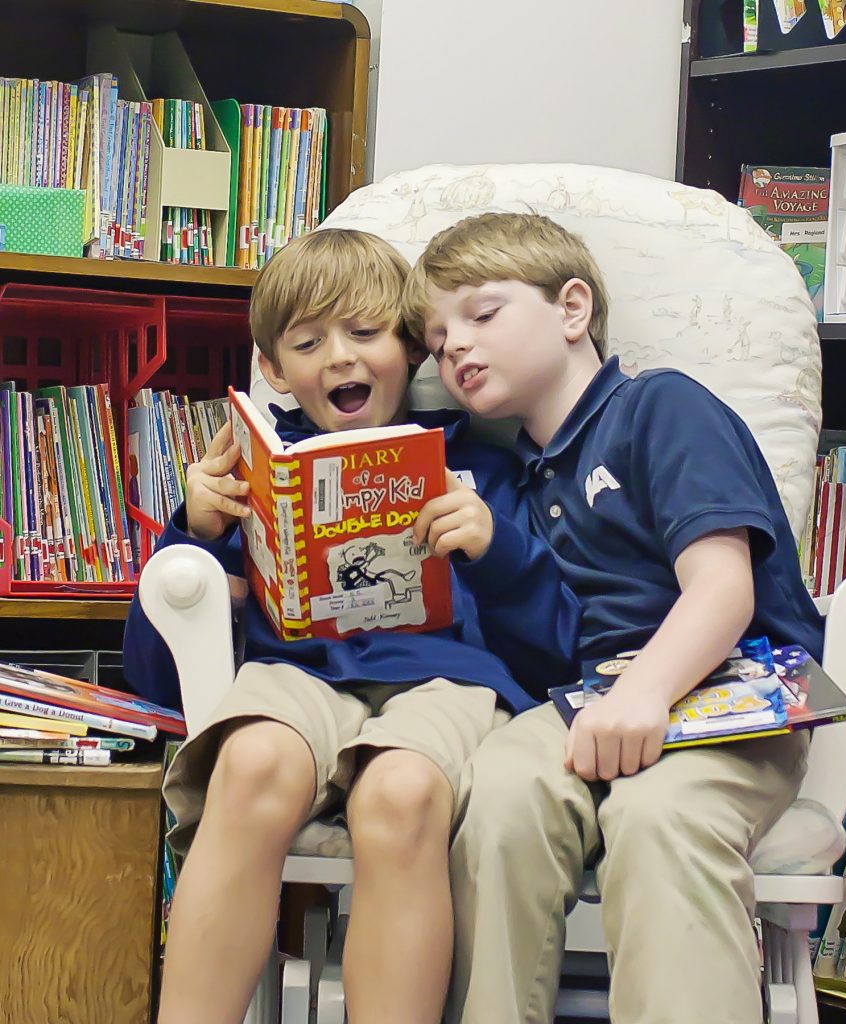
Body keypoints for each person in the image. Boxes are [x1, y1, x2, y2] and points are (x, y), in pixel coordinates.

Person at [122, 227, 579, 1024]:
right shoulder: (250, 475)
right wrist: (191, 535)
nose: (340, 357)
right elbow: (156, 680)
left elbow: (558, 651)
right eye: (308, 342)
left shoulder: (487, 468)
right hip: (298, 676)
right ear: (273, 368)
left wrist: (494, 549)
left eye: (365, 333)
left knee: (399, 794)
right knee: (252, 763)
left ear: (410, 348)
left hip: (446, 680)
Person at [401, 212, 825, 1024]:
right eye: (435, 336)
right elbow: (537, 648)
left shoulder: (659, 408)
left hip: (731, 690)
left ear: (571, 309)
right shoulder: (506, 483)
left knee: (658, 815)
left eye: (481, 315)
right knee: (498, 795)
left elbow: (722, 587)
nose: (453, 345)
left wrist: (646, 695)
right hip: (584, 702)